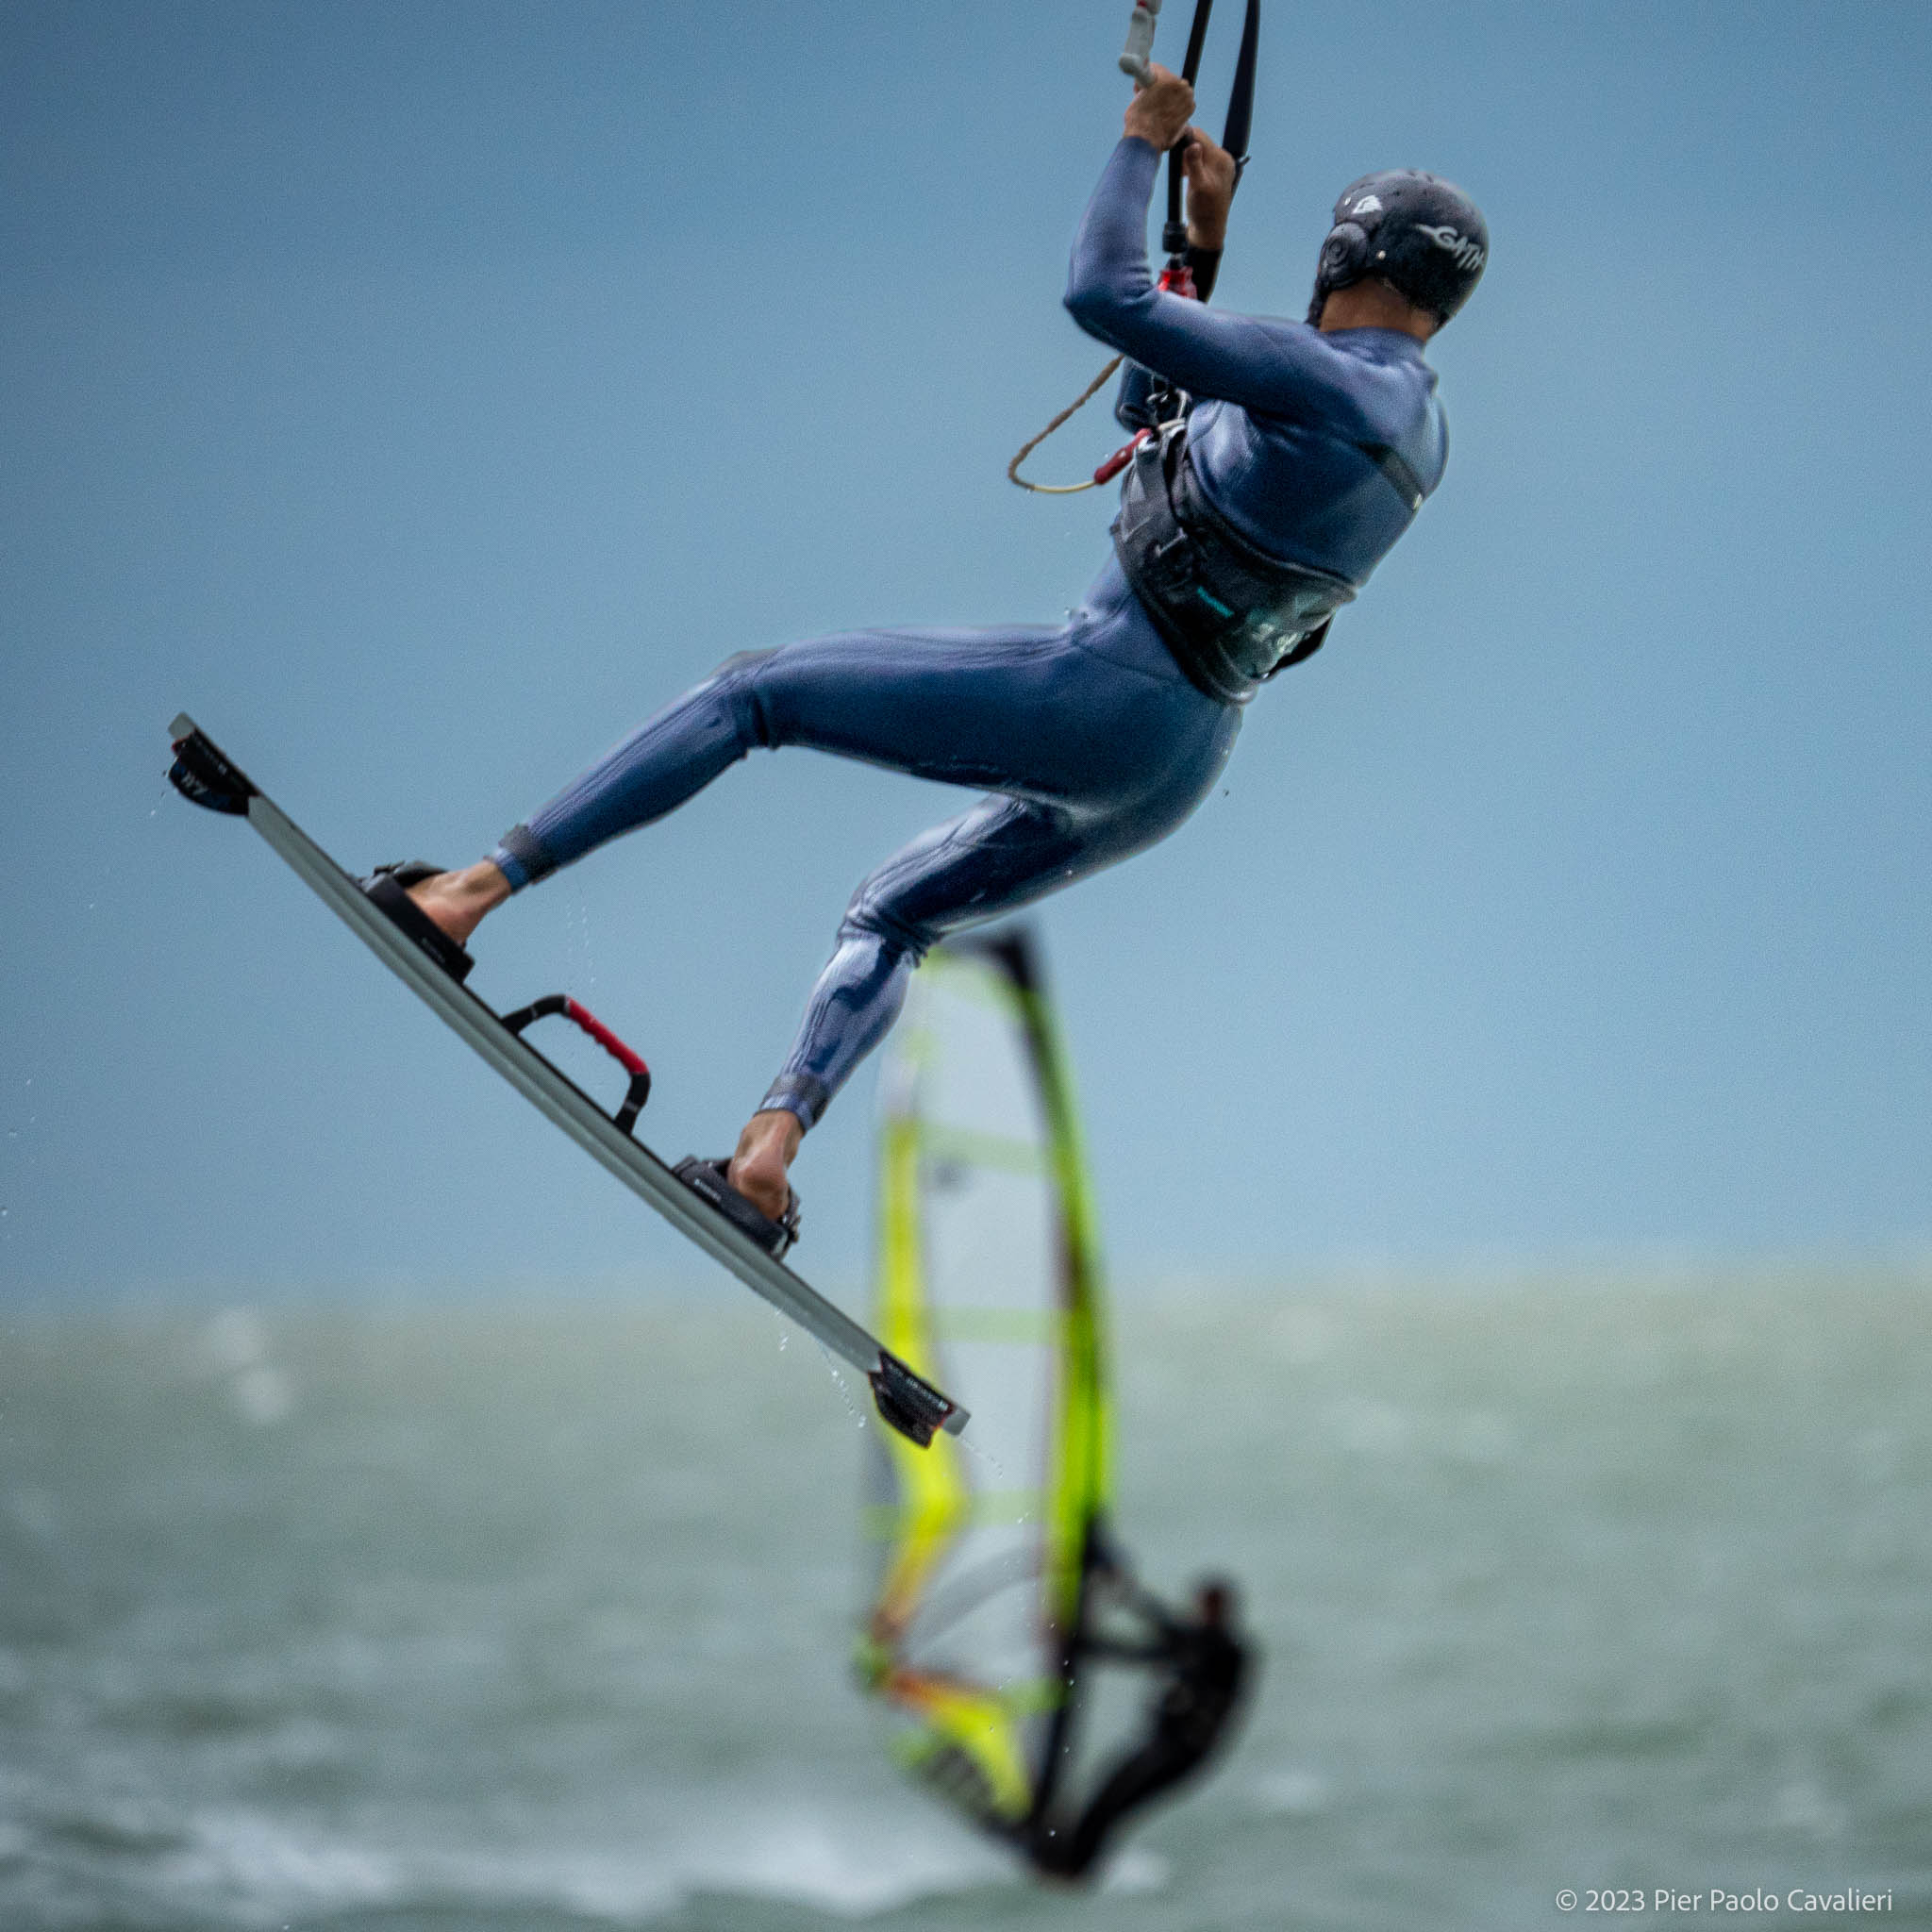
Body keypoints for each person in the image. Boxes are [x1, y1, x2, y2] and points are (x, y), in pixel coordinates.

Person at [368, 65, 1488, 1245]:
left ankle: (464, 895)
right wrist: (1201, 243)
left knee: (754, 694)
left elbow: (1097, 296)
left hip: (1101, 687)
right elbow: (1152, 413)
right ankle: (764, 1152)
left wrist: (1136, 145)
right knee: (893, 913)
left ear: (1342, 257)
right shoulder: (1410, 424)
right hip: (1179, 761)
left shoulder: (1319, 381)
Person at [1027, 1566, 1255, 1880]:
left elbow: (1164, 1642)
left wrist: (1088, 1635)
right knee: (1104, 1789)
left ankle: (1074, 1867)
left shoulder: (1229, 1651)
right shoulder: (1192, 1639)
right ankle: (1060, 1856)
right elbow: (1154, 1634)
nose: (1203, 1613)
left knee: (1116, 1801)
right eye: (1203, 1606)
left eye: (1210, 1607)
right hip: (1161, 1741)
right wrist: (1105, 1615)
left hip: (1183, 1752)